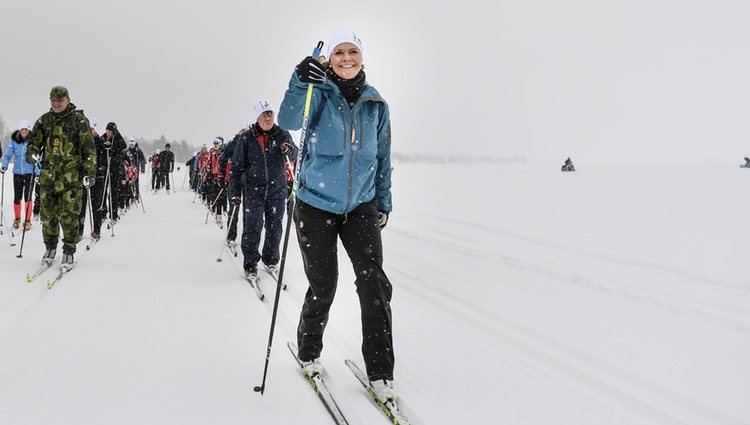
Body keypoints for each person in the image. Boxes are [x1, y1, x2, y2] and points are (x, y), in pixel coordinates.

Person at [278, 32, 395, 402]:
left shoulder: (376, 104)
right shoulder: (317, 92)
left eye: (353, 52)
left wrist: (384, 203)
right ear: (329, 59)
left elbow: (382, 158)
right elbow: (288, 118)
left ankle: (381, 373)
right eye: (339, 52)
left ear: (363, 58)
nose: (346, 58)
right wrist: (300, 79)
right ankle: (309, 350)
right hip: (314, 204)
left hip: (361, 205)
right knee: (324, 284)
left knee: (373, 285)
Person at [25, 86, 96, 270]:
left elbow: (89, 149)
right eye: (53, 101)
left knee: (69, 217)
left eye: (60, 101)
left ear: (68, 99)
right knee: (48, 217)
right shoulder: (44, 121)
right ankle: (50, 248)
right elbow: (34, 143)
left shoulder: (79, 121)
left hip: (71, 180)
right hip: (48, 178)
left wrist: (89, 172)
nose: (56, 104)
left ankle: (69, 251)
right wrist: (32, 154)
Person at [230, 100, 297, 280]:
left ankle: (270, 260)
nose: (268, 118)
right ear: (257, 117)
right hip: (253, 191)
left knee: (275, 228)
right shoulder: (246, 139)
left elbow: (295, 154)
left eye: (270, 114)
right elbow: (236, 169)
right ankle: (251, 264)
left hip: (277, 190)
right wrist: (235, 192)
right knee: (253, 227)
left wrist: (289, 150)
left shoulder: (282, 135)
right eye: (264, 115)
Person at [1, 120, 40, 231]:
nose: (24, 132)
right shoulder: (14, 141)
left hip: (29, 173)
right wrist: (4, 165)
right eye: (22, 129)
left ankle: (27, 221)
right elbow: (8, 155)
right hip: (17, 172)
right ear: (19, 130)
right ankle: (17, 219)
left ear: (28, 130)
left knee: (27, 197)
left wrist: (38, 173)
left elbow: (38, 159)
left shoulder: (33, 141)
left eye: (26, 129)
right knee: (17, 197)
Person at [101, 122, 127, 222]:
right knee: (103, 190)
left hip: (115, 169)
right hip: (104, 168)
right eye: (107, 131)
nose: (108, 133)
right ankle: (103, 212)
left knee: (113, 192)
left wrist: (112, 150)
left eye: (110, 132)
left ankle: (114, 214)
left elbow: (123, 147)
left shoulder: (118, 139)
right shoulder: (103, 138)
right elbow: (99, 147)